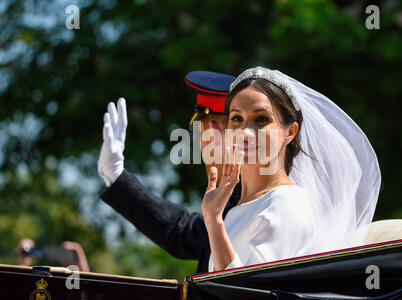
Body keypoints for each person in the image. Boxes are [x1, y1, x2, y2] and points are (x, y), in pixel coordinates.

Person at [201, 67, 381, 272]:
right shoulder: (235, 211)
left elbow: (246, 294)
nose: (245, 132)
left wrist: (214, 222)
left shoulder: (286, 202)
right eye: (236, 119)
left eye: (261, 119)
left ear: (291, 132)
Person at [98, 71, 240, 274]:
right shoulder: (238, 191)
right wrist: (116, 176)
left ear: (214, 128)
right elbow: (183, 232)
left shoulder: (247, 193)